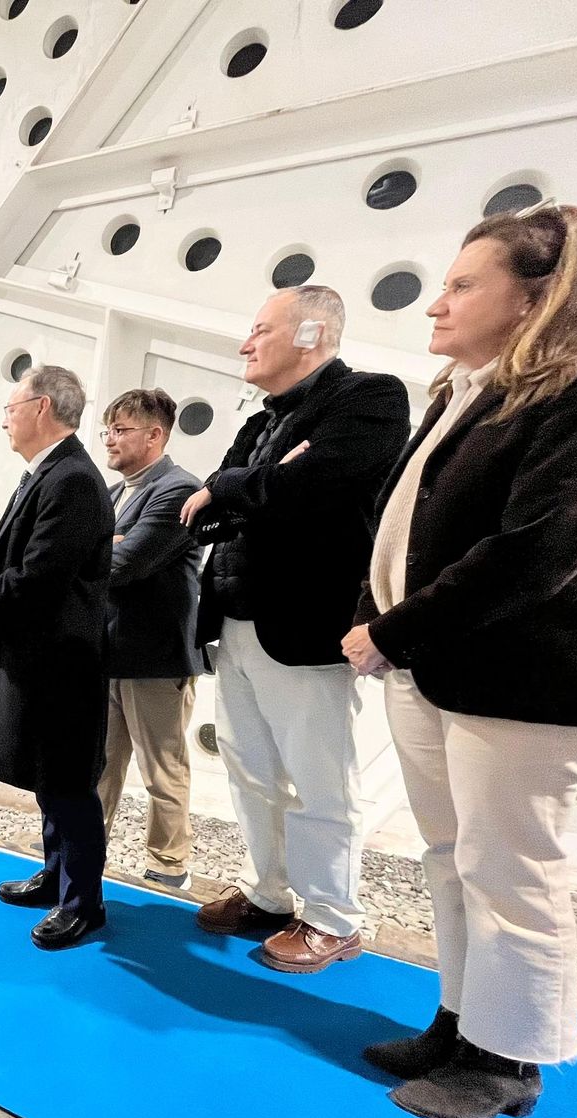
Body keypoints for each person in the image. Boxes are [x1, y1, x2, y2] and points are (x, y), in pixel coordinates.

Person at [343, 204, 577, 1118]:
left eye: (461, 285)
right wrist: (376, 615)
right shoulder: (468, 386)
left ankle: (506, 1057)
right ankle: (460, 1020)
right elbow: (402, 521)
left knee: (511, 868)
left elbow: (536, 548)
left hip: (528, 674)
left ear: (537, 296)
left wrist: (393, 631)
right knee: (453, 858)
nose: (436, 305)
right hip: (436, 666)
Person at [181, 286, 409, 971]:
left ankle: (333, 919)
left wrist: (240, 489)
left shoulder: (370, 397)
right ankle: (270, 895)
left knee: (318, 778)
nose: (245, 344)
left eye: (259, 330)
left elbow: (303, 488)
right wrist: (254, 484)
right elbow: (215, 508)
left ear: (312, 333)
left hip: (306, 625)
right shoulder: (260, 423)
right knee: (249, 772)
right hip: (237, 621)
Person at [0, 365, 114, 950]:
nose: (4, 418)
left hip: (62, 661)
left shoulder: (70, 477)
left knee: (70, 782)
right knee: (52, 778)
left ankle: (84, 904)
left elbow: (39, 574)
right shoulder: (50, 472)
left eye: (10, 407)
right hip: (42, 656)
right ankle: (57, 878)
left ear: (42, 407)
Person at [94, 387, 203, 889]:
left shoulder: (178, 489)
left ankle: (168, 864)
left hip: (156, 655)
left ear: (155, 435)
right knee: (102, 764)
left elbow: (126, 563)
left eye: (121, 430)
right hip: (112, 650)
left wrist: (106, 546)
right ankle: (87, 844)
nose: (110, 440)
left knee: (163, 768)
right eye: (108, 430)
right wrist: (108, 544)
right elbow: (106, 552)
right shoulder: (117, 493)